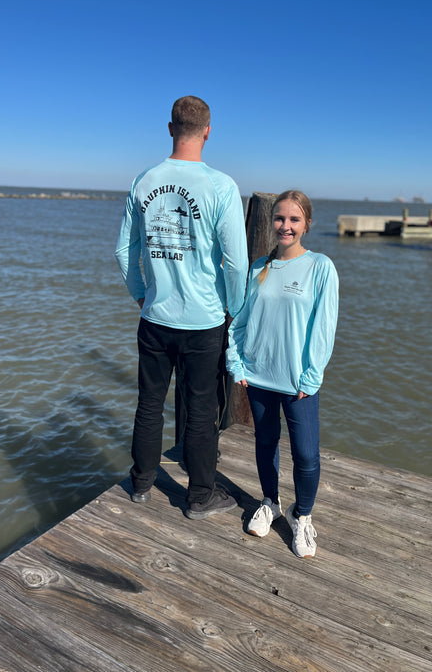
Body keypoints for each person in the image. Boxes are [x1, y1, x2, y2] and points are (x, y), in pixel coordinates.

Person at [115, 96, 248, 520]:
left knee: (149, 404)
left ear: (170, 128)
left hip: (154, 318)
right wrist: (234, 306)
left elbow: (124, 251)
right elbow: (237, 262)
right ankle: (199, 496)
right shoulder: (222, 186)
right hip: (204, 321)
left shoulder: (143, 180)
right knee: (201, 409)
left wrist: (141, 292)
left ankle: (140, 485)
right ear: (208, 131)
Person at [226, 190, 338, 557]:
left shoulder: (321, 267)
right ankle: (270, 502)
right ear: (271, 221)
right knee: (265, 442)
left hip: (298, 383)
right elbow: (240, 323)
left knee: (306, 455)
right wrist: (236, 363)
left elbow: (324, 327)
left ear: (306, 223)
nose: (285, 226)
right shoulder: (259, 266)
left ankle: (301, 515)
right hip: (257, 376)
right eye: (279, 218)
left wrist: (311, 376)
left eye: (293, 219)